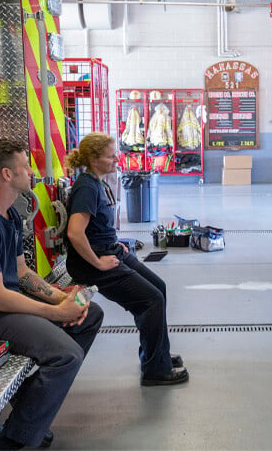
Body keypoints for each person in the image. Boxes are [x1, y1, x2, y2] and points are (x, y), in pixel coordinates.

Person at [0, 138, 103, 450]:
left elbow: (21, 273)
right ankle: (13, 440)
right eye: (25, 165)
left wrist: (59, 297)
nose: (32, 171)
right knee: (66, 355)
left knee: (91, 314)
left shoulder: (8, 215)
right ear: (7, 175)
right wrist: (57, 312)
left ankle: (29, 414)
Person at [65, 132, 188, 385]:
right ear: (93, 158)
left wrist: (113, 241)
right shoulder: (86, 188)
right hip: (94, 262)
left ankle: (157, 354)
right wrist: (98, 262)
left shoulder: (97, 181)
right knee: (150, 300)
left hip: (110, 249)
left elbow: (96, 226)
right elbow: (75, 233)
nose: (117, 159)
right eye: (111, 156)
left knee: (159, 289)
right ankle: (155, 370)